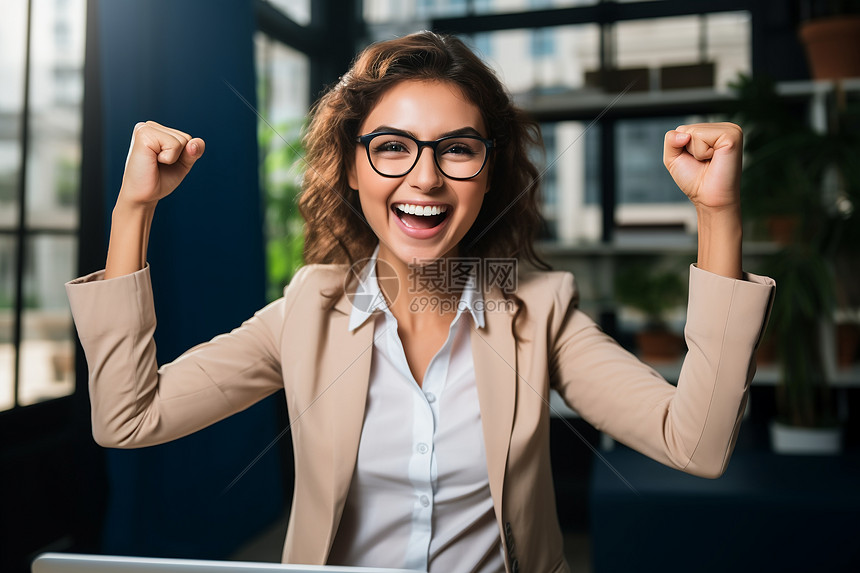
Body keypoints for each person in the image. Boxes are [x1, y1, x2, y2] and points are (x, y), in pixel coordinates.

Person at [66, 31, 774, 573]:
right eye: (393, 147)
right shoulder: (308, 309)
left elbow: (698, 443)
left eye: (457, 149)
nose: (425, 178)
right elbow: (130, 417)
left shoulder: (542, 311)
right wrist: (134, 210)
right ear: (352, 164)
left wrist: (718, 216)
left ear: (489, 173)